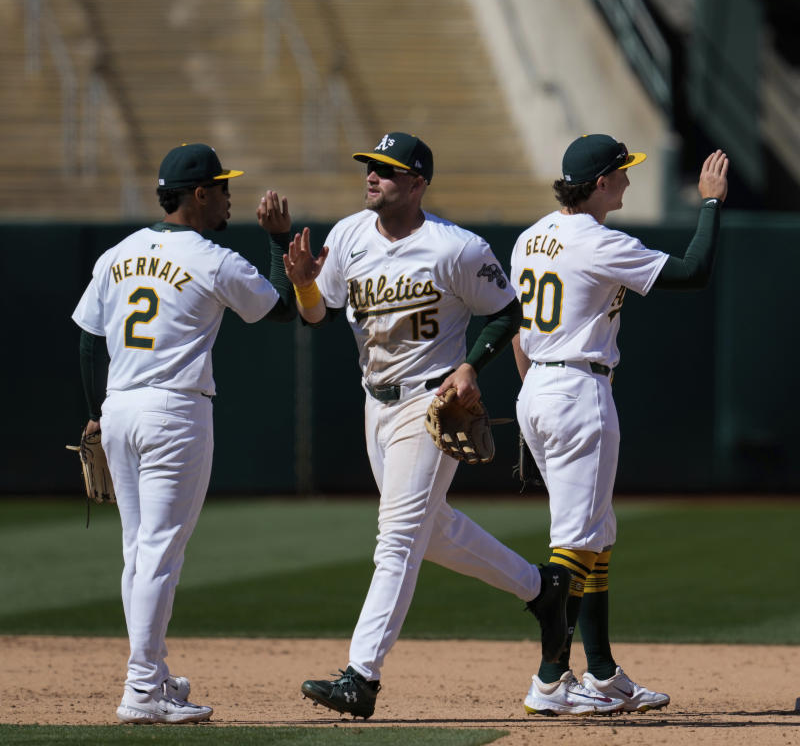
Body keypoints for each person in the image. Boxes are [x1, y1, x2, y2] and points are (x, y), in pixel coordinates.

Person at [284, 132, 567, 720]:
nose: (372, 177)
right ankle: (543, 590)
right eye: (370, 166)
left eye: (386, 170)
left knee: (396, 538)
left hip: (430, 403)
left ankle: (361, 676)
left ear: (417, 184)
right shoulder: (348, 236)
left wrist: (470, 366)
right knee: (428, 530)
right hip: (375, 402)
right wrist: (306, 283)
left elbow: (509, 311)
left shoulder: (456, 248)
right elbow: (316, 315)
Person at [71, 143, 298, 723]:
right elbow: (278, 309)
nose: (229, 196)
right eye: (222, 187)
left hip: (119, 409)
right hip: (174, 411)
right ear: (199, 195)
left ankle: (153, 675)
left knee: (137, 551)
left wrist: (95, 410)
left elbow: (88, 338)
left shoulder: (116, 254)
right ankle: (142, 688)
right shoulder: (211, 257)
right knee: (159, 553)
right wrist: (277, 240)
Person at [511, 134, 729, 716]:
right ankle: (552, 680)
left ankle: (602, 674)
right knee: (575, 544)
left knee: (596, 534)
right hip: (578, 389)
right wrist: (710, 203)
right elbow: (694, 272)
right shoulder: (599, 241)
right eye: (623, 173)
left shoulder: (530, 237)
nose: (629, 180)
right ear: (601, 183)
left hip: (537, 384)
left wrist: (536, 398)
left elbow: (515, 326)